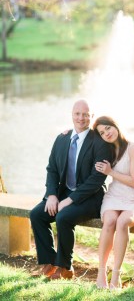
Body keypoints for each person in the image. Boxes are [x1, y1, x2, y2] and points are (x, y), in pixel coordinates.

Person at [30, 100, 114, 280]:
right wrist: (52, 195)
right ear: (72, 115)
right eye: (77, 114)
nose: (81, 118)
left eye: (85, 114)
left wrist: (70, 200)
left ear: (91, 117)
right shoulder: (62, 138)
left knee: (64, 217)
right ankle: (49, 262)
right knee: (37, 214)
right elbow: (52, 168)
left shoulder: (100, 143)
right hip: (63, 192)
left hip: (90, 197)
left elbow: (96, 180)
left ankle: (65, 267)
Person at [90, 116, 134, 289]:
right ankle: (101, 273)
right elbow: (85, 140)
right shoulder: (106, 150)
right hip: (114, 196)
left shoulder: (133, 149)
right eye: (101, 132)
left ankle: (116, 274)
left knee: (122, 222)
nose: (106, 133)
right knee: (109, 221)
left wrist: (110, 172)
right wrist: (68, 132)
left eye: (108, 128)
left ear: (115, 126)